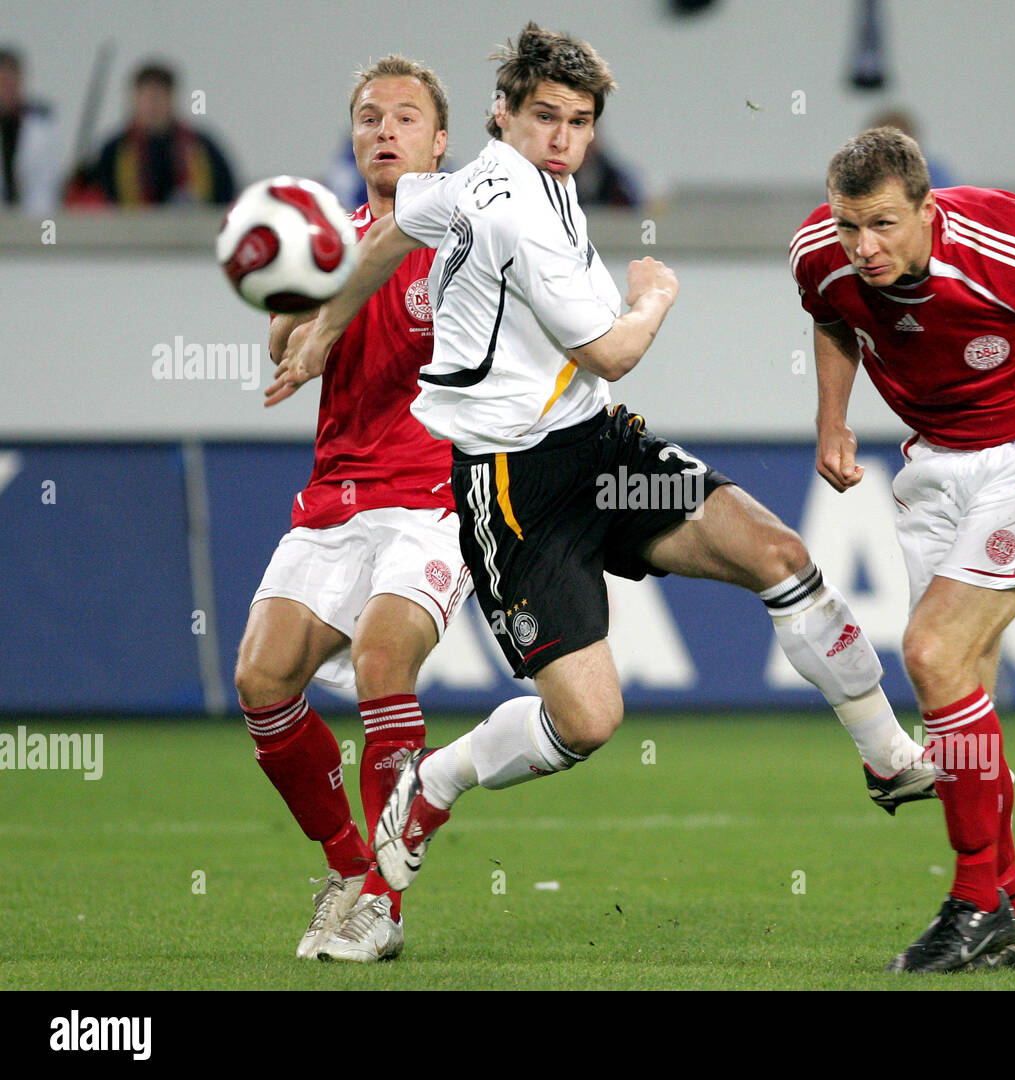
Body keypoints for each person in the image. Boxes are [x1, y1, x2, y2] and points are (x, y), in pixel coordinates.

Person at [278, 23, 936, 909]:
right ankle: (434, 784)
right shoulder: (512, 206)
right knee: (588, 721)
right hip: (514, 491)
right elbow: (615, 351)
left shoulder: (478, 185)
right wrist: (656, 295)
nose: (564, 139)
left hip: (601, 451)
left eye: (580, 122)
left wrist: (322, 327)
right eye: (545, 117)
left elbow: (393, 232)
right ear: (502, 116)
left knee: (779, 556)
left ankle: (888, 756)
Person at [792, 127, 1015, 972]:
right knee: (959, 691)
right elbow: (833, 322)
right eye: (848, 226)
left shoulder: (1002, 241)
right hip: (934, 465)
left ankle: (973, 899)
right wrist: (832, 420)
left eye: (881, 225)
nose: (862, 248)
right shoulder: (818, 254)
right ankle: (1012, 906)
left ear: (926, 208)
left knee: (931, 651)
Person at [236, 55, 471, 964]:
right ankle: (346, 868)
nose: (385, 130)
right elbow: (280, 341)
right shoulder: (330, 240)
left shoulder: (462, 235)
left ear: (439, 141)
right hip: (334, 498)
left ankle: (384, 903)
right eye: (370, 117)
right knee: (261, 680)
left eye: (406, 117)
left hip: (431, 499)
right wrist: (302, 287)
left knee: (381, 662)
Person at [92, 60, 235, 206]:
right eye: (146, 97)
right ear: (134, 100)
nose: (152, 105)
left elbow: (225, 197)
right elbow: (97, 202)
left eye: (159, 97)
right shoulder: (114, 151)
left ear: (172, 99)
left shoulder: (200, 148)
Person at [0, 46, 60, 216]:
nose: (7, 88)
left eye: (11, 81)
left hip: (36, 216)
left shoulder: (42, 123)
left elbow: (48, 179)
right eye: (2, 81)